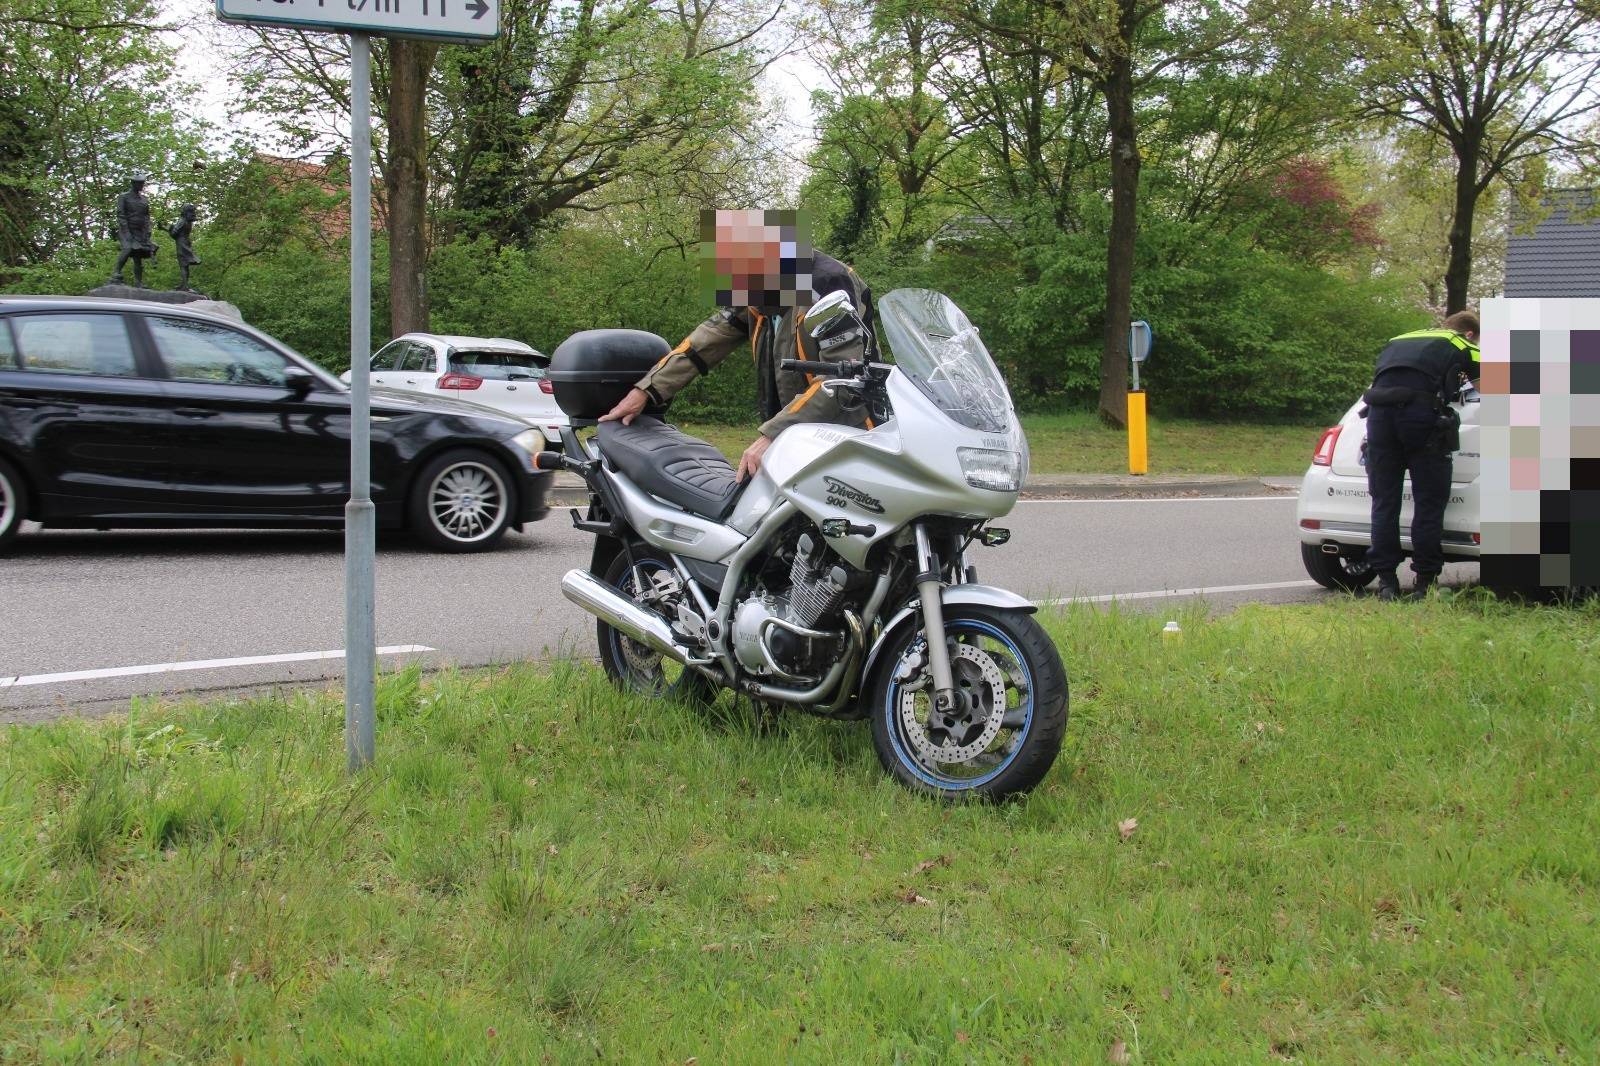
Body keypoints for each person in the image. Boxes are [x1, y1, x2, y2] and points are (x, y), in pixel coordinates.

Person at [599, 209, 873, 481]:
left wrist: (773, 434)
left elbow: (842, 380)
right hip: (793, 433)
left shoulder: (828, 283)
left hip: (847, 433)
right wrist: (646, 390)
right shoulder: (760, 294)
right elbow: (706, 341)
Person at [1363, 309, 1480, 601]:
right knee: (1429, 502)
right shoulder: (1461, 343)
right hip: (1420, 420)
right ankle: (1423, 583)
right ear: (1469, 334)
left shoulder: (1399, 340)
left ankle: (1387, 583)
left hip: (1378, 420)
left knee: (1384, 501)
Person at [111, 174, 156, 287]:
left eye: (142, 183)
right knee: (128, 249)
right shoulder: (124, 197)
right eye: (139, 183)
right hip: (126, 230)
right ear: (133, 183)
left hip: (140, 231)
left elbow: (146, 216)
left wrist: (148, 230)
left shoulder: (144, 200)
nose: (141, 185)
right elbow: (121, 215)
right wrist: (126, 232)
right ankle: (116, 272)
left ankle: (138, 282)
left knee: (138, 255)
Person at [167, 204, 200, 291]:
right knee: (185, 265)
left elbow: (174, 234)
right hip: (186, 242)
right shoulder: (189, 222)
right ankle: (184, 284)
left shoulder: (182, 221)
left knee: (183, 265)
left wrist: (169, 229)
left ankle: (185, 285)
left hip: (181, 244)